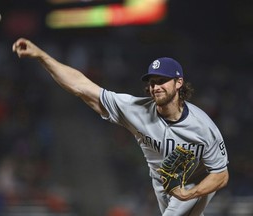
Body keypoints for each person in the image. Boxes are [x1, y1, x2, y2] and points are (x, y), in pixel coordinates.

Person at [12, 38, 229, 216]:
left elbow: (221, 175)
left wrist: (189, 194)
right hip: (163, 184)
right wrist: (41, 56)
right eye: (152, 82)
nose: (155, 87)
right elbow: (81, 86)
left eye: (162, 80)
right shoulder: (136, 110)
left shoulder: (202, 127)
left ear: (178, 83)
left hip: (194, 181)